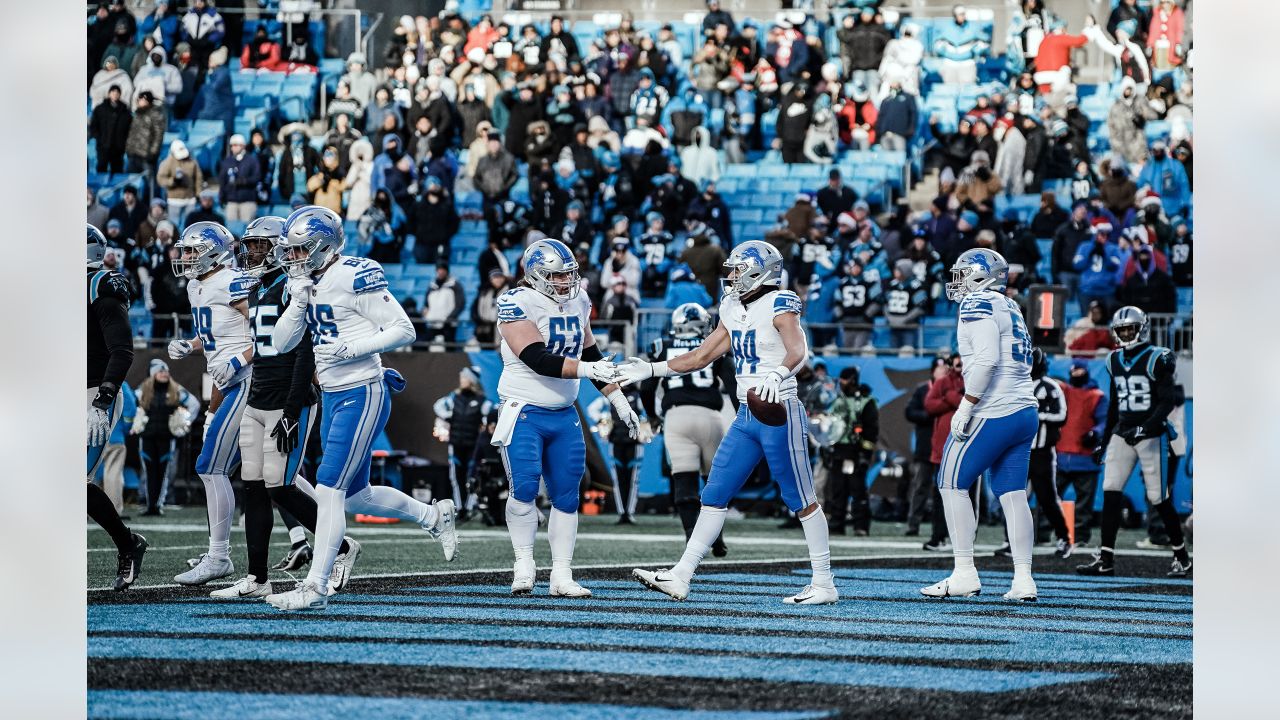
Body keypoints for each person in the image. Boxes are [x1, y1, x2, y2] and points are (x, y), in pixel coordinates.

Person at [266, 207, 458, 611]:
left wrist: (351, 349)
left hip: (363, 389)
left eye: (302, 250)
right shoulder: (303, 281)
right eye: (292, 250)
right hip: (334, 395)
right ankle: (433, 517)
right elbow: (281, 344)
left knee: (327, 486)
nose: (294, 258)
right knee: (355, 496)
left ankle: (315, 586)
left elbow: (405, 328)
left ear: (324, 247)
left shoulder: (353, 273)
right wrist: (298, 301)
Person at [624, 240, 838, 605]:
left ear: (760, 271)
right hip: (745, 413)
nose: (733, 275)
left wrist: (779, 374)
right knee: (714, 494)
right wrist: (653, 368)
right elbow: (703, 355)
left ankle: (824, 583)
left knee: (801, 499)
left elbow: (798, 350)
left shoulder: (780, 302)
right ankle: (681, 575)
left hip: (778, 410)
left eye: (739, 269)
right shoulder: (731, 305)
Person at [492, 238, 639, 597]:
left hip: (564, 412)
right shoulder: (516, 302)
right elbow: (537, 358)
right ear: (537, 276)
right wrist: (588, 369)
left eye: (570, 274)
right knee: (525, 487)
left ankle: (561, 574)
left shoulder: (578, 299)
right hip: (524, 408)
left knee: (568, 495)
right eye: (558, 276)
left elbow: (591, 350)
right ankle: (524, 563)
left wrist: (617, 398)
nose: (566, 282)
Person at [921, 248, 1039, 602]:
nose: (956, 282)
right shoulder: (1011, 306)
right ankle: (1023, 579)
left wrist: (967, 404)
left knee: (950, 482)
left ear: (981, 275)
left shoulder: (978, 304)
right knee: (1012, 493)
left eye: (963, 273)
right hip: (1023, 409)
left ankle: (964, 572)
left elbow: (987, 359)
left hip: (995, 408)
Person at [166, 222, 255, 586]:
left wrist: (239, 360)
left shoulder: (234, 281)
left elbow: (271, 334)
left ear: (215, 251)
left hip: (248, 380)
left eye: (192, 251)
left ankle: (219, 557)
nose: (185, 257)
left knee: (210, 466)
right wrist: (191, 344)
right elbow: (216, 336)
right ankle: (338, 542)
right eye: (184, 251)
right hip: (226, 384)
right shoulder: (194, 285)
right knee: (276, 475)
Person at [1077, 307, 1191, 577]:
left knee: (1158, 498)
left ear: (1141, 328)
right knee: (1111, 490)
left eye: (1130, 328)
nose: (1126, 333)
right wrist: (1105, 442)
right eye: (1122, 330)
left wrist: (1146, 426)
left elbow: (1166, 402)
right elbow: (1115, 404)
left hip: (1152, 434)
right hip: (1123, 431)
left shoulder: (1157, 357)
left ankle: (1182, 557)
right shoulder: (1113, 360)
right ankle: (1106, 558)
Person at [86, 224, 149, 592]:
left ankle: (127, 544)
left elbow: (123, 351)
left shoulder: (101, 286)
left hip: (93, 392)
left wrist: (104, 397)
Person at [640, 304, 730, 553]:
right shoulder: (711, 345)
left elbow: (646, 388)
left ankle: (693, 539)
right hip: (711, 416)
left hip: (676, 416)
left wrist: (652, 416)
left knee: (684, 481)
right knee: (714, 482)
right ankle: (717, 538)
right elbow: (732, 382)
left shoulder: (662, 345)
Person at [132, 359, 199, 516]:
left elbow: (194, 404)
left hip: (166, 439)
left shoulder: (176, 390)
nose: (164, 373)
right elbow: (128, 404)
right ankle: (149, 505)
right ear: (152, 374)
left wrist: (185, 423)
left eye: (166, 371)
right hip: (147, 438)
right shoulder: (142, 390)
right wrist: (134, 423)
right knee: (149, 472)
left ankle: (158, 505)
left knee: (163, 473)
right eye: (160, 371)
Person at [1023, 348, 1073, 556]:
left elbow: (1061, 415)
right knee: (1014, 498)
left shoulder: (1050, 386)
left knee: (1047, 497)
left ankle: (1063, 538)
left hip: (1042, 451)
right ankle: (1014, 541)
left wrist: (1038, 415)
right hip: (1020, 451)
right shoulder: (1015, 386)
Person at [826, 366, 879, 536]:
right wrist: (826, 448)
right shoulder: (836, 400)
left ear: (853, 380)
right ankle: (836, 525)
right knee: (837, 489)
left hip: (856, 451)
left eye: (844, 379)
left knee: (858, 490)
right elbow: (828, 426)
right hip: (839, 449)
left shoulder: (866, 401)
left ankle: (861, 526)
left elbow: (871, 431)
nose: (841, 383)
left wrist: (866, 455)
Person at [434, 367, 492, 518]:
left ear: (472, 381)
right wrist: (447, 417)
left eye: (465, 378)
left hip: (474, 445)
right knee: (456, 476)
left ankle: (470, 507)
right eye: (462, 378)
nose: (462, 380)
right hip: (456, 444)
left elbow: (491, 414)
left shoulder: (482, 400)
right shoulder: (453, 397)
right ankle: (460, 508)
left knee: (472, 476)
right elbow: (437, 407)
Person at [905, 357, 948, 544]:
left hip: (943, 446)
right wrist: (929, 416)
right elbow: (909, 412)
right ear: (933, 371)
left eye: (945, 369)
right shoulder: (923, 389)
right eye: (939, 369)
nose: (943, 372)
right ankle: (913, 524)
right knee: (921, 485)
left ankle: (942, 529)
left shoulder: (950, 390)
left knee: (943, 490)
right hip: (925, 446)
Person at [156, 139, 202, 222]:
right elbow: (160, 179)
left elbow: (198, 178)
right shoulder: (167, 163)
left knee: (190, 223)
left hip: (190, 199)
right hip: (174, 200)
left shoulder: (192, 162)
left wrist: (198, 193)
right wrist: (172, 181)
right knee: (174, 224)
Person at [218, 134, 261, 222]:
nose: (233, 148)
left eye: (235, 145)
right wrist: (222, 197)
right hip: (231, 200)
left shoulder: (252, 160)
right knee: (231, 230)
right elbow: (222, 181)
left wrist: (243, 181)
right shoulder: (227, 162)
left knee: (247, 230)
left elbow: (257, 177)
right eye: (232, 145)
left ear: (242, 146)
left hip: (247, 200)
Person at [90, 84, 131, 174]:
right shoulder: (100, 108)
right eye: (113, 92)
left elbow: (129, 129)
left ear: (120, 95)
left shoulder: (125, 111)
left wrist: (124, 141)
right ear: (109, 94)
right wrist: (99, 138)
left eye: (117, 92)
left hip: (118, 147)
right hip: (103, 146)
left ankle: (116, 188)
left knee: (117, 170)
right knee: (101, 168)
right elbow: (93, 126)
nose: (115, 94)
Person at [124, 90, 166, 178]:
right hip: (133, 152)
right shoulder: (137, 113)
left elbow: (158, 136)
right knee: (132, 179)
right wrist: (128, 148)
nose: (139, 101)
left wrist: (153, 153)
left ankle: (152, 192)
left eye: (141, 99)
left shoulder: (156, 114)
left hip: (146, 154)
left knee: (149, 178)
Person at [423, 264, 466, 345]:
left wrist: (450, 318)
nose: (440, 272)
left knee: (449, 349)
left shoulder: (455, 285)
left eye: (443, 269)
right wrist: (426, 314)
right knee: (425, 347)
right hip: (433, 323)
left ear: (447, 271)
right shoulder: (431, 286)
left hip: (448, 324)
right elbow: (426, 304)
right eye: (439, 269)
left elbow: (460, 304)